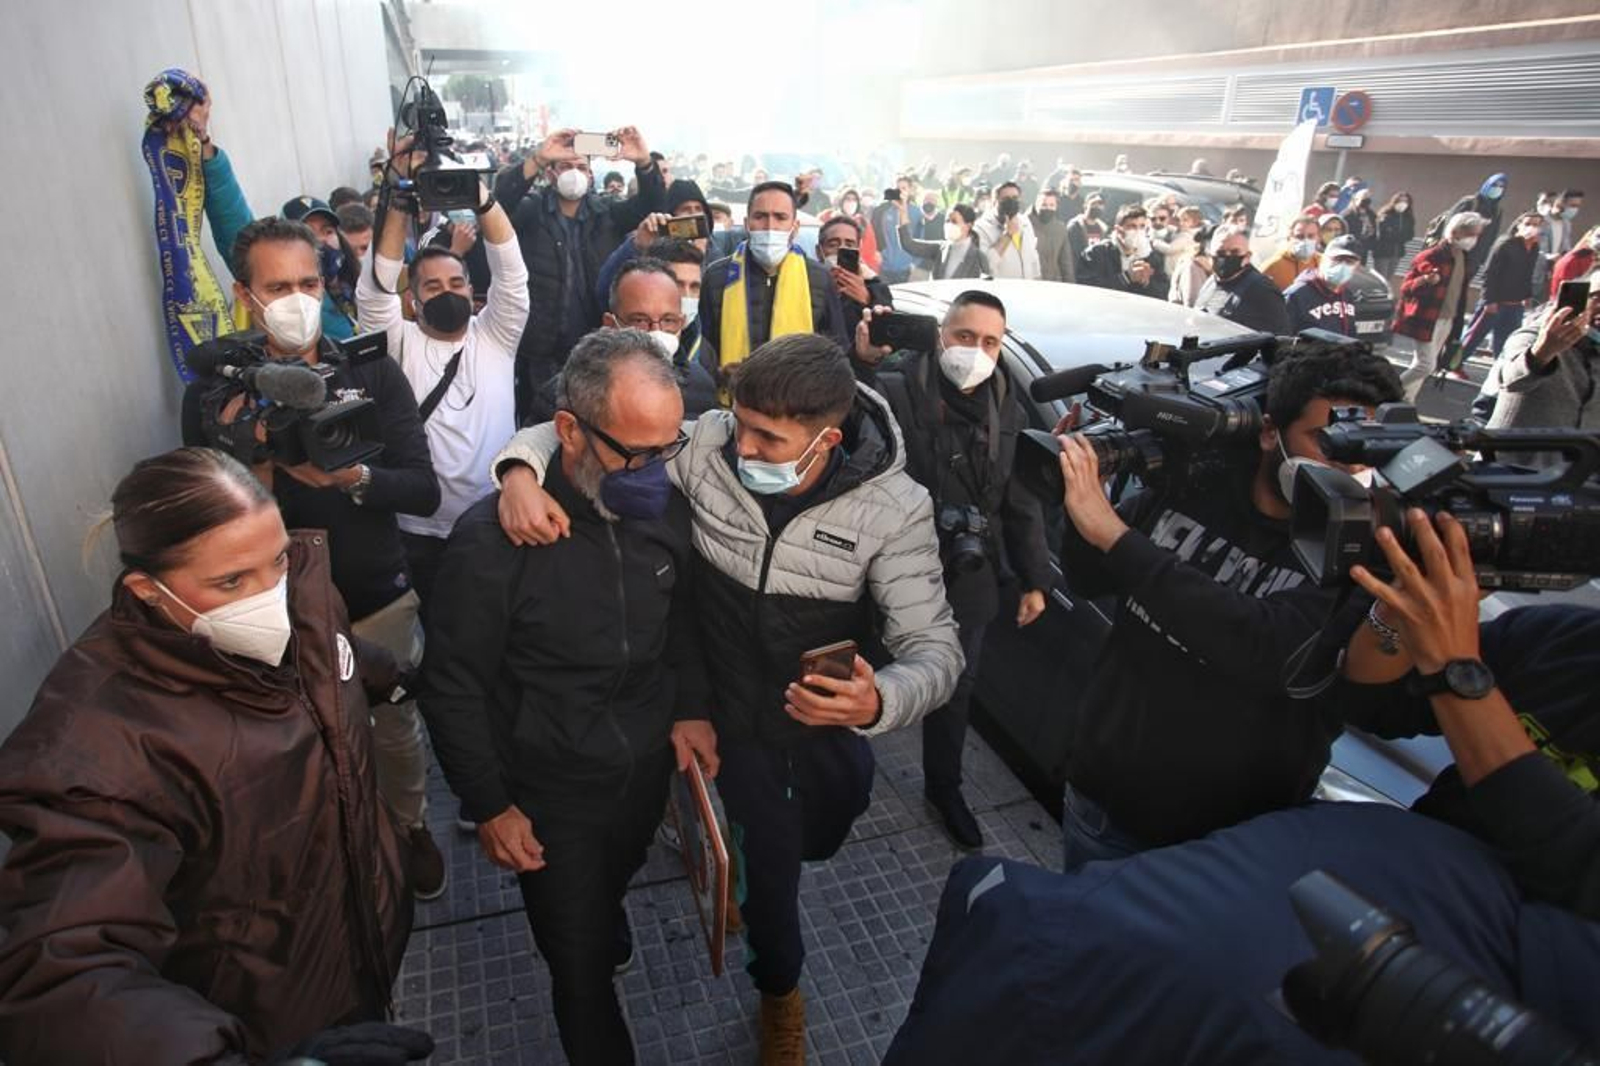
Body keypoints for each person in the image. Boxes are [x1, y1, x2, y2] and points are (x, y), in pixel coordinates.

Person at [886, 539, 1600, 1063]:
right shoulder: (1568, 645)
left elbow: (1265, 645)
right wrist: (1397, 610)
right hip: (1145, 817)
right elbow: (1371, 697)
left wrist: (1458, 673)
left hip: (1412, 937)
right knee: (1063, 953)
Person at [491, 333, 964, 1064]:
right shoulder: (708, 442)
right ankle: (780, 993)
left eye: (768, 438)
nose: (741, 448)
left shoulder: (895, 509)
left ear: (827, 439)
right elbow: (587, 429)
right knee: (773, 886)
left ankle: (748, 870)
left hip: (810, 725)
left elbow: (937, 651)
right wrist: (519, 472)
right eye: (739, 422)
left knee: (822, 827)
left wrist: (877, 702)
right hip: (721, 713)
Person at [0, 448, 424, 1064]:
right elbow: (65, 972)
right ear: (147, 590)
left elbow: (331, 655)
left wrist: (397, 677)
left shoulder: (302, 596)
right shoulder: (97, 744)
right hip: (260, 1028)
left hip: (359, 958)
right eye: (231, 582)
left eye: (278, 560)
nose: (272, 597)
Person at [420, 331, 710, 1065]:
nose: (651, 473)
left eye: (666, 450)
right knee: (579, 970)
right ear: (570, 431)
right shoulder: (490, 544)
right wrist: (489, 803)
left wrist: (690, 707)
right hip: (549, 793)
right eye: (633, 454)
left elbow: (683, 623)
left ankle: (605, 910)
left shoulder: (665, 512)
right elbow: (452, 684)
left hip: (643, 770)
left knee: (613, 883)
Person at [1052, 339, 1403, 869]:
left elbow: (1270, 648)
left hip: (1228, 844)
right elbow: (1087, 577)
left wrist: (1114, 536)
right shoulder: (1193, 485)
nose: (1350, 464)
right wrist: (1084, 505)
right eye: (1328, 440)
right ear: (1269, 432)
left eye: (1367, 447)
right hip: (1107, 808)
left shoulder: (1365, 553)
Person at [180, 217, 446, 898]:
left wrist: (352, 478)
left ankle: (410, 827)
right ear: (246, 296)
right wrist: (262, 466)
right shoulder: (218, 395)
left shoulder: (369, 367)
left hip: (374, 590)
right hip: (274, 606)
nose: (296, 299)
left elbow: (422, 488)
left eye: (307, 282)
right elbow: (208, 517)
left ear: (325, 285)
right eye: (277, 287)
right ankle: (331, 852)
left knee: (391, 725)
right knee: (294, 737)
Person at [857, 292, 1052, 850]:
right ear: (941, 335)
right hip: (888, 566)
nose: (976, 351)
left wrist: (1035, 579)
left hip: (968, 570)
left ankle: (945, 788)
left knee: (955, 685)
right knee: (862, 665)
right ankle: (839, 768)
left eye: (990, 342)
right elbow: (844, 421)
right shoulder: (894, 388)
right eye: (965, 336)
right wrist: (861, 363)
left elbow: (1021, 502)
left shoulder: (1008, 409)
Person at [357, 138, 527, 611]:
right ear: (412, 300)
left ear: (472, 290)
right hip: (420, 530)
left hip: (495, 519)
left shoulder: (496, 335)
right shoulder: (398, 344)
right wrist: (396, 196)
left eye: (456, 283)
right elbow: (374, 291)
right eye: (431, 286)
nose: (446, 292)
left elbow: (512, 273)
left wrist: (479, 197)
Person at [493, 125, 665, 422]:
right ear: (551, 174)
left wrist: (644, 163)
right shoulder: (531, 211)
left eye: (581, 167)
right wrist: (538, 158)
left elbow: (651, 204)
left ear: (591, 175)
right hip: (540, 349)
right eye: (565, 166)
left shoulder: (607, 212)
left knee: (593, 420)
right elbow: (500, 203)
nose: (574, 173)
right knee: (541, 423)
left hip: (595, 343)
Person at [697, 181, 850, 395]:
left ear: (795, 227)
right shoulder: (717, 276)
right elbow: (701, 349)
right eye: (760, 216)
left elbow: (837, 352)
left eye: (780, 217)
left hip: (799, 402)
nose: (770, 226)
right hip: (731, 401)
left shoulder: (818, 278)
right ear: (747, 223)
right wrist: (720, 374)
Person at [1484, 283, 1600, 450]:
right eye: (1597, 297)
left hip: (1579, 463)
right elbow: (1509, 380)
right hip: (1513, 460)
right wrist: (1542, 352)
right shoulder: (1537, 334)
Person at [1394, 212, 1487, 401]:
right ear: (1456, 232)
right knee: (1425, 365)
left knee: (1423, 365)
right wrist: (1425, 280)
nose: (1474, 239)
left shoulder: (1463, 257)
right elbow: (1406, 288)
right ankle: (1388, 390)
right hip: (1427, 318)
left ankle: (1405, 401)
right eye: (1471, 234)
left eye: (1477, 235)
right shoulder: (1432, 255)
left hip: (1448, 319)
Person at [593, 178, 713, 311]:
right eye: (686, 209)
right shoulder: (652, 251)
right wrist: (637, 245)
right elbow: (606, 291)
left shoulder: (717, 251)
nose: (693, 214)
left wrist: (700, 258)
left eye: (698, 208)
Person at [1452, 212, 1545, 371]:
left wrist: (1527, 295)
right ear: (1519, 225)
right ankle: (1452, 366)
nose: (1532, 228)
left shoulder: (1534, 247)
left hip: (1515, 304)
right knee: (1473, 338)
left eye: (1537, 225)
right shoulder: (1505, 244)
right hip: (1495, 302)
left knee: (1507, 343)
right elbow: (1490, 274)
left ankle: (1499, 372)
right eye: (1528, 223)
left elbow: (1527, 273)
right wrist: (1489, 300)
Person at [1194, 224, 1290, 334]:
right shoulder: (1211, 282)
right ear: (1210, 255)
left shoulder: (1262, 290)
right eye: (1220, 252)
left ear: (1248, 256)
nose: (1227, 256)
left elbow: (1280, 336)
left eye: (1235, 252)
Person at [817, 214, 894, 340]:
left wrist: (867, 301)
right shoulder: (807, 283)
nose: (841, 250)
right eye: (833, 244)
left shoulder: (876, 288)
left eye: (849, 245)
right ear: (819, 251)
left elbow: (887, 334)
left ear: (858, 249)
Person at [1078, 204, 1168, 298]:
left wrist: (1147, 282)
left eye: (1142, 226)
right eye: (1132, 226)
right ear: (1118, 230)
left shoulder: (1151, 256)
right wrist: (1126, 278)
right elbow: (1088, 290)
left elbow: (1163, 293)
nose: (1138, 231)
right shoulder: (1095, 254)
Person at [1426, 172, 1506, 278]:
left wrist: (1482, 258)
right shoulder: (1470, 202)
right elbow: (1449, 226)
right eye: (1495, 185)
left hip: (1473, 261)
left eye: (1501, 187)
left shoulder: (1497, 211)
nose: (1497, 189)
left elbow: (1491, 236)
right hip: (1453, 254)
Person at [1283, 234, 1363, 337]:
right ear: (1323, 259)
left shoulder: (1347, 295)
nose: (1342, 266)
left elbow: (1350, 334)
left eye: (1349, 262)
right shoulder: (1297, 295)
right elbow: (1282, 337)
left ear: (1357, 266)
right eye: (1337, 259)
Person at [899, 200, 986, 280]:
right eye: (947, 221)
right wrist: (903, 210)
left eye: (954, 221)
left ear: (968, 226)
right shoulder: (940, 248)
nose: (949, 225)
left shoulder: (979, 257)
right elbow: (908, 244)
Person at [974, 181, 1041, 280]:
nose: (1011, 202)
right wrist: (1007, 235)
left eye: (1015, 198)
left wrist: (1037, 280)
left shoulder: (1025, 222)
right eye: (1006, 199)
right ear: (994, 202)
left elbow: (1033, 257)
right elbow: (985, 265)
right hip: (1001, 287)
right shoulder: (981, 228)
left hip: (1026, 285)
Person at [1535, 188, 1586, 294]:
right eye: (1572, 205)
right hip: (1537, 274)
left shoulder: (1566, 224)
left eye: (1578, 206)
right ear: (1560, 203)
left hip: (1555, 273)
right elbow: (1532, 248)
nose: (1575, 209)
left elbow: (1566, 246)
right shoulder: (1541, 221)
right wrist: (1548, 257)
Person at [1259, 215, 1323, 291]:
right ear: (1290, 238)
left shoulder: (1324, 263)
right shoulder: (1273, 265)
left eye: (1310, 236)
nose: (1305, 240)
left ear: (1319, 238)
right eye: (1299, 236)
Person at [1030, 189, 1075, 282]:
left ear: (1056, 207)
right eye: (1044, 205)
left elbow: (1065, 261)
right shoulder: (1025, 225)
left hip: (1053, 282)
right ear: (1036, 205)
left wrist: (1070, 283)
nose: (1048, 208)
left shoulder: (1060, 228)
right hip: (1031, 281)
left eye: (1051, 205)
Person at [1548, 224, 1600, 299]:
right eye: (1598, 236)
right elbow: (1567, 296)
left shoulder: (1591, 258)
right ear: (1589, 236)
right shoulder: (1571, 261)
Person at [1372, 190, 1415, 280]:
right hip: (1383, 252)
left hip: (1397, 253)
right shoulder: (1385, 215)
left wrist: (1395, 234)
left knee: (1388, 279)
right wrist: (1398, 236)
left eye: (1405, 201)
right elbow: (1382, 234)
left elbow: (1409, 235)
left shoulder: (1408, 218)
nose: (1403, 203)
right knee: (1380, 278)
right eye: (1400, 201)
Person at [1151, 203, 1198, 280]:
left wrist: (1154, 242)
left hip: (1173, 275)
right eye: (1178, 219)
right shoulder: (1178, 231)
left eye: (1185, 220)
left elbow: (1169, 249)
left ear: (1194, 222)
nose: (1181, 223)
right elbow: (1174, 231)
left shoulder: (1187, 237)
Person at [1338, 187, 1378, 265]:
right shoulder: (1347, 214)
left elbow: (1374, 229)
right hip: (1350, 248)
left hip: (1364, 248)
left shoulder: (1371, 214)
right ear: (1356, 199)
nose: (1366, 200)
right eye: (1364, 197)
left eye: (1368, 197)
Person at [1064, 192, 1107, 264]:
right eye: (1094, 204)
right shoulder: (1075, 226)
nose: (1097, 207)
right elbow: (1070, 254)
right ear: (1085, 205)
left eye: (1100, 204)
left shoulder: (1103, 229)